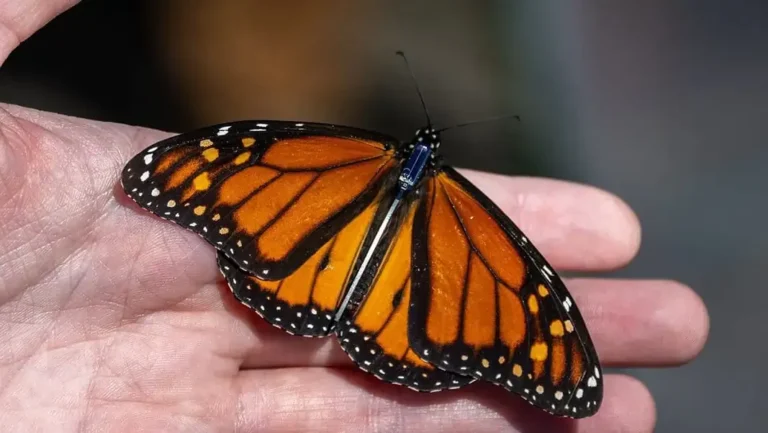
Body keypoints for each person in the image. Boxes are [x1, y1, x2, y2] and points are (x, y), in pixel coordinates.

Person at [0, 1, 708, 431]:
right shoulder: (446, 201)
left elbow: (526, 318)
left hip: (310, 269)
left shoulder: (346, 158)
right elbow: (225, 165)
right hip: (379, 308)